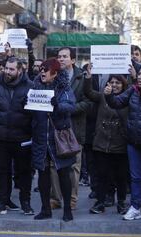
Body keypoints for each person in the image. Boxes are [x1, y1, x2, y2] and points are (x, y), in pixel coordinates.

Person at [0, 57, 34, 216]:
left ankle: (25, 203)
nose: (7, 71)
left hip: (22, 137)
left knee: (24, 172)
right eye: (6, 68)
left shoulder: (30, 87)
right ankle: (1, 202)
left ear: (19, 70)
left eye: (11, 69)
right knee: (1, 171)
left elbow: (35, 112)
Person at [31, 58, 76, 222]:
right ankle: (45, 209)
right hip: (41, 138)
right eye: (41, 69)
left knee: (64, 174)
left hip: (59, 138)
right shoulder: (35, 86)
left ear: (55, 73)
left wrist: (58, 105)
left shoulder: (64, 88)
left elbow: (72, 106)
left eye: (46, 70)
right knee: (42, 175)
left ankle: (67, 210)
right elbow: (30, 108)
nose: (42, 72)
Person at [83, 67, 129, 215]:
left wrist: (134, 75)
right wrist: (89, 78)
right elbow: (88, 93)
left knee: (120, 177)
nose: (114, 85)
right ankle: (100, 202)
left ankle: (121, 203)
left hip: (119, 145)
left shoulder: (128, 98)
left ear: (123, 84)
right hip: (101, 144)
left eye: (117, 82)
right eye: (111, 82)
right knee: (102, 176)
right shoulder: (102, 96)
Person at [51, 47, 90, 210]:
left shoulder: (82, 77)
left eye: (65, 57)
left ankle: (72, 199)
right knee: (54, 165)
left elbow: (88, 102)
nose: (61, 59)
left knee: (74, 166)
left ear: (73, 60)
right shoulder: (52, 76)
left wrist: (68, 108)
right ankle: (55, 198)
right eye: (59, 56)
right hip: (56, 128)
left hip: (75, 127)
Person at [105, 69, 141, 221]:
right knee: (135, 177)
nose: (140, 78)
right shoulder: (132, 91)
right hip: (134, 141)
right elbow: (116, 103)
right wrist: (109, 95)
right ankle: (136, 207)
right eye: (139, 75)